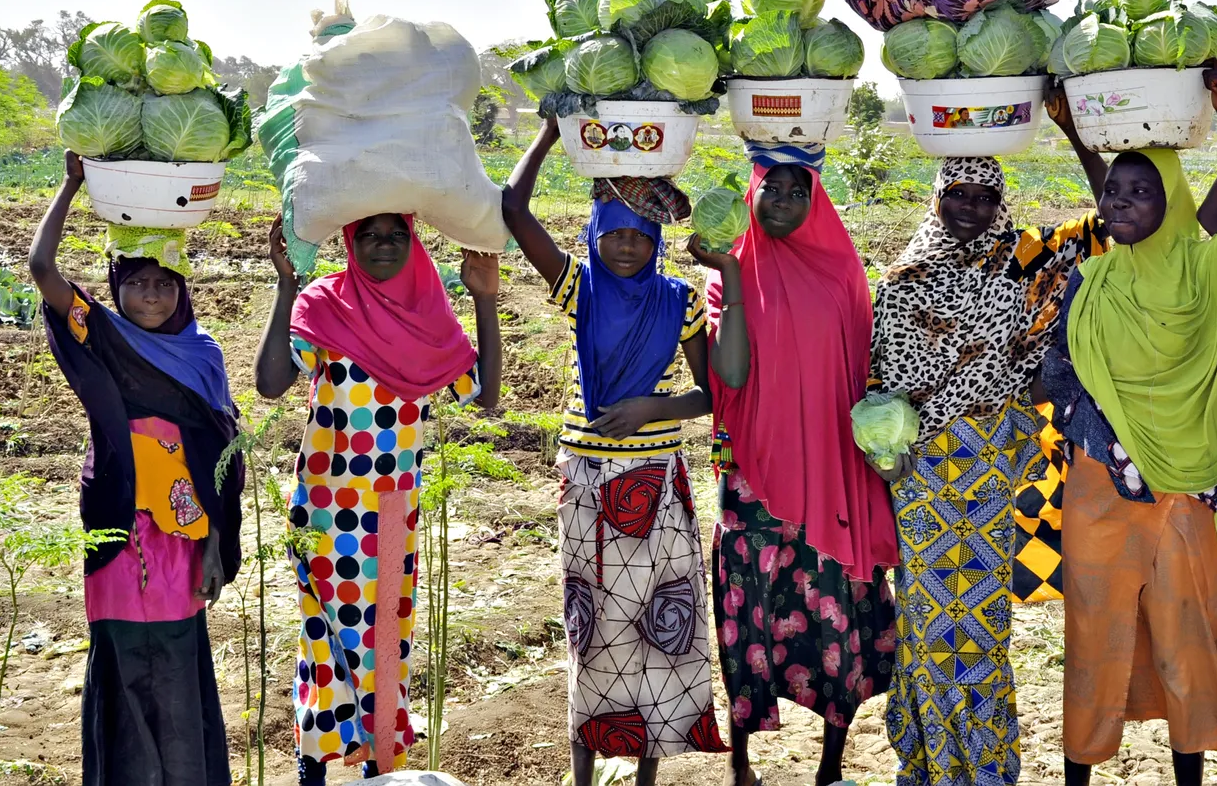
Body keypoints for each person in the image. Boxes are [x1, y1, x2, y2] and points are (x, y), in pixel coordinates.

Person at [1049, 68, 1217, 786]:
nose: (1118, 205)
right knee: (1095, 638)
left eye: (1139, 193)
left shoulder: (1203, 269)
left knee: (1181, 638)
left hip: (1184, 487)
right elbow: (1129, 197)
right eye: (1111, 194)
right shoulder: (1101, 280)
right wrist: (1070, 131)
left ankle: (1188, 778)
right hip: (1101, 484)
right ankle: (1078, 776)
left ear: (1170, 203)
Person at [869, 95, 1109, 786]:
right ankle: (929, 763)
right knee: (923, 624)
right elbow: (879, 384)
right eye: (958, 193)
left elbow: (1107, 228)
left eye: (985, 194)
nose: (970, 206)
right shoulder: (902, 278)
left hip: (991, 473)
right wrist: (886, 450)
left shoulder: (1024, 262)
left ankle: (984, 767)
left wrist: (1069, 128)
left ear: (1001, 201)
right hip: (920, 476)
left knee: (980, 626)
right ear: (938, 197)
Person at [502, 117, 729, 786]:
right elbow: (513, 210)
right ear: (594, 237)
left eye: (638, 235)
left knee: (659, 628)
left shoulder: (680, 300)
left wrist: (652, 409)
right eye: (613, 235)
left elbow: (711, 392)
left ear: (655, 241)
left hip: (656, 483)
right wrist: (547, 134)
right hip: (588, 482)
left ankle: (646, 777)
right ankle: (581, 772)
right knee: (592, 629)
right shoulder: (580, 289)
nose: (626, 247)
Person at [255, 208, 501, 781]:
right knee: (322, 634)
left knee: (384, 640)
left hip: (391, 507)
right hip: (323, 505)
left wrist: (484, 297)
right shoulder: (323, 303)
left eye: (396, 235)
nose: (383, 246)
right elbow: (269, 383)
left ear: (412, 240)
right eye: (369, 235)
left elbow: (483, 393)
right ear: (350, 241)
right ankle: (311, 766)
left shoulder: (429, 315)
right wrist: (286, 284)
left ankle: (379, 772)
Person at [30, 151, 243, 786]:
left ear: (183, 290)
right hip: (118, 523)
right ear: (116, 287)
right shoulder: (104, 337)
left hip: (183, 534)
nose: (151, 294)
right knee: (121, 654)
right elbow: (43, 268)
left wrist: (212, 545)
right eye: (137, 282)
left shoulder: (202, 353)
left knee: (178, 660)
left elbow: (223, 460)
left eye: (165, 282)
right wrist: (71, 184)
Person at [688, 150, 898, 786]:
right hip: (753, 471)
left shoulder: (841, 273)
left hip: (831, 471)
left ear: (815, 202)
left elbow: (864, 375)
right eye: (768, 188)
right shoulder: (730, 277)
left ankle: (831, 767)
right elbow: (730, 376)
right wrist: (728, 266)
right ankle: (743, 764)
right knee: (747, 604)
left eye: (794, 191)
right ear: (751, 195)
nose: (779, 200)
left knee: (836, 603)